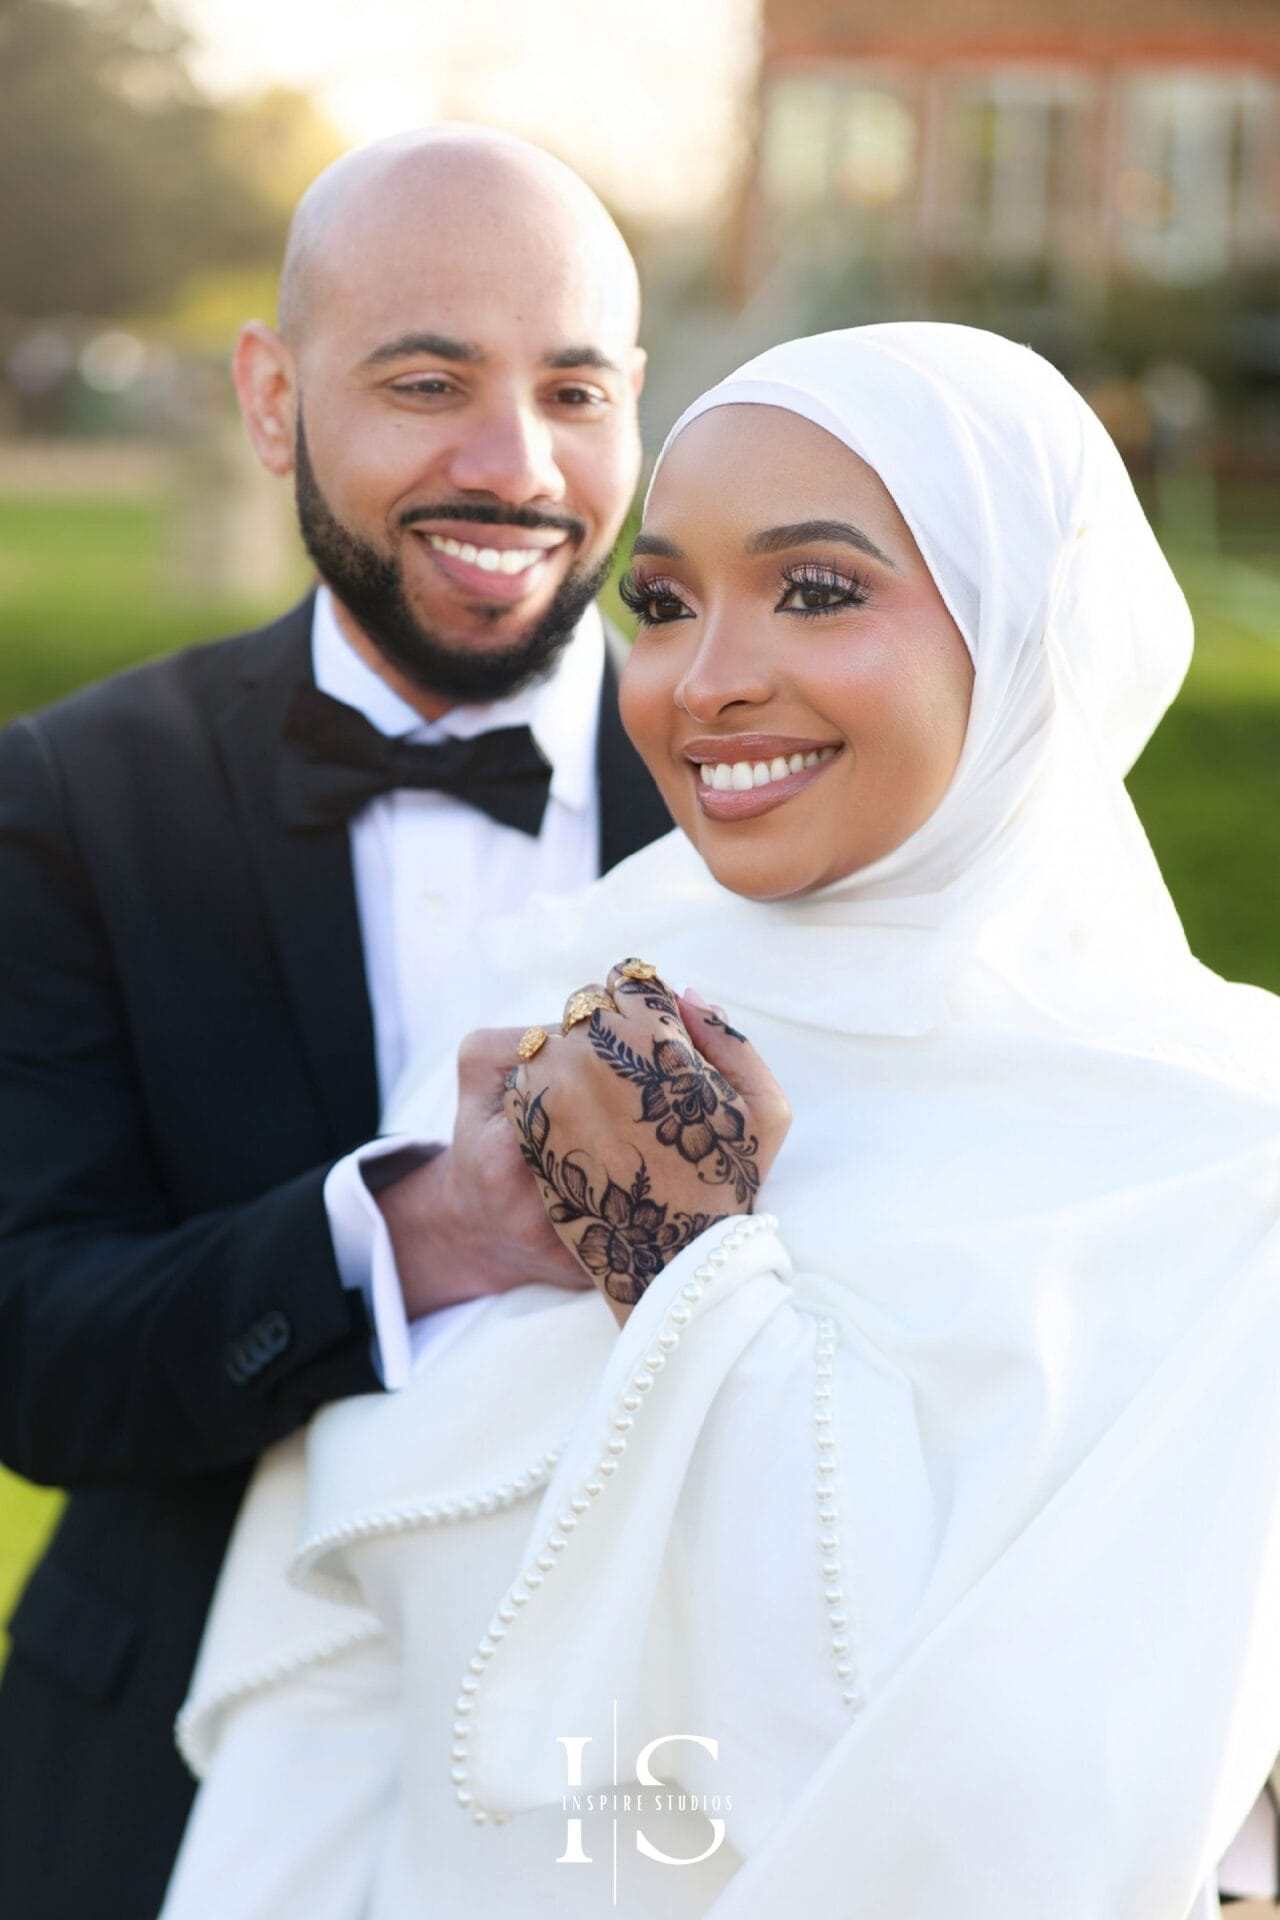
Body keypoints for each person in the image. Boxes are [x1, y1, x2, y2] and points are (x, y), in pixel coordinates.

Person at [163, 323, 1280, 1919]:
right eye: (664, 604)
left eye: (816, 589)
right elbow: (321, 1668)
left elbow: (1044, 1807)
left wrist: (686, 1278)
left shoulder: (1232, 1164)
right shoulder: (551, 1024)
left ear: (1030, 627)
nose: (703, 678)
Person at [0, 127, 671, 1920]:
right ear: (277, 399)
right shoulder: (69, 800)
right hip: (161, 1781)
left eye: (576, 389)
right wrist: (418, 1232)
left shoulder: (763, 792)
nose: (515, 465)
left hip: (655, 1789)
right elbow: (32, 1348)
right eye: (429, 382)